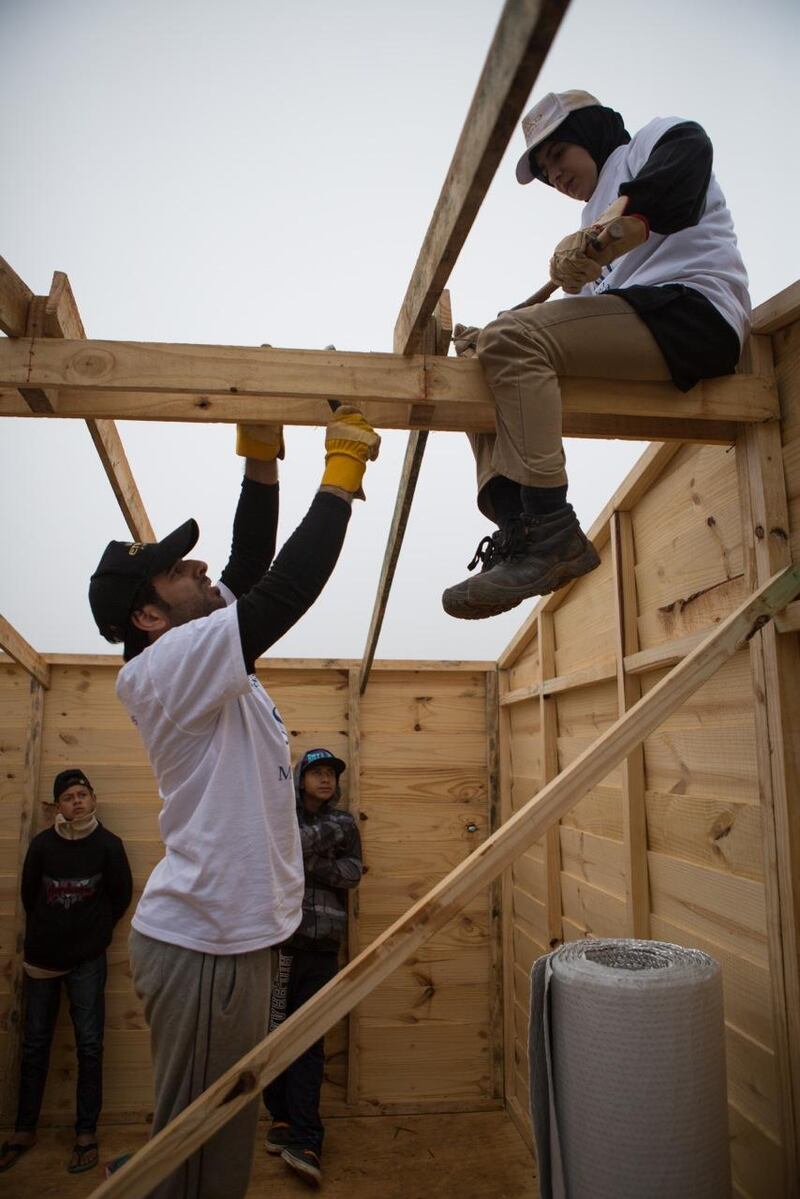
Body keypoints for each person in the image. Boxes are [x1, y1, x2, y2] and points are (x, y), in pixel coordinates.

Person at [86, 408, 379, 1199]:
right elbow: (282, 588)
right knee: (204, 1158)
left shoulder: (197, 653)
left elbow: (248, 564)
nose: (200, 565)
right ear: (148, 616)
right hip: (207, 942)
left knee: (202, 1137)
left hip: (222, 938)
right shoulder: (166, 667)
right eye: (179, 571)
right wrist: (341, 479)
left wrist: (261, 461)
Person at [442, 89, 750, 620]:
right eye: (544, 170)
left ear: (589, 132)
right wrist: (494, 333)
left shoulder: (646, 145)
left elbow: (684, 168)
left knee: (510, 340)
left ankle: (552, 529)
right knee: (487, 361)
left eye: (559, 154)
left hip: (694, 313)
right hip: (645, 332)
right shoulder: (586, 226)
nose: (554, 173)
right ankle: (521, 531)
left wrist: (603, 236)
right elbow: (568, 329)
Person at [0, 769, 132, 1176]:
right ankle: (24, 1130)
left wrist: (96, 934)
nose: (77, 801)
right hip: (43, 958)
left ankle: (86, 1133)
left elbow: (121, 894)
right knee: (36, 1042)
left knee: (90, 1044)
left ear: (94, 800)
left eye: (82, 794)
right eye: (69, 797)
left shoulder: (109, 845)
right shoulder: (42, 846)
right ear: (58, 806)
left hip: (88, 960)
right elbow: (28, 894)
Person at [264, 746, 362, 1188]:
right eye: (317, 772)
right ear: (300, 777)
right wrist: (314, 856)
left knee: (310, 1041)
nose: (325, 780)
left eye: (331, 774)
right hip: (281, 944)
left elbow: (352, 873)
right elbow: (277, 855)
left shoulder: (345, 822)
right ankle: (280, 1119)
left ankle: (307, 1138)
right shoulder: (279, 817)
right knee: (276, 1033)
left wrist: (306, 862)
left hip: (323, 945)